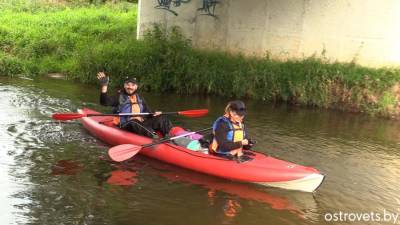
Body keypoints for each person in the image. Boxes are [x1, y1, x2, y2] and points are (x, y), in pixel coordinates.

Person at [97, 72, 173, 138]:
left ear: (136, 87)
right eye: (127, 84)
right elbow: (104, 102)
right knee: (134, 121)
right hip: (125, 125)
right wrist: (104, 86)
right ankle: (155, 137)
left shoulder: (139, 97)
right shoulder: (119, 96)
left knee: (161, 118)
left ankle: (172, 136)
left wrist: (155, 113)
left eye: (132, 85)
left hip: (140, 124)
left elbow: (148, 112)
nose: (130, 87)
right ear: (124, 85)